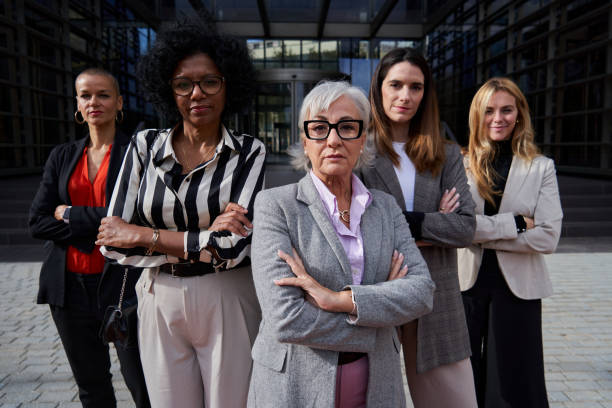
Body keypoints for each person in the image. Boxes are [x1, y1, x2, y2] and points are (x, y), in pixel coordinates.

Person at [95, 19, 265, 408]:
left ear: (228, 85)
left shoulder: (248, 152)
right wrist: (206, 239)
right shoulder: (143, 147)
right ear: (168, 90)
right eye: (183, 84)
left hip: (229, 298)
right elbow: (111, 244)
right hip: (159, 295)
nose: (196, 93)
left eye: (209, 81)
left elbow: (234, 247)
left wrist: (144, 234)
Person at [248, 81, 435, 408]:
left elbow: (421, 291)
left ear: (362, 139)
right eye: (319, 128)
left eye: (347, 127)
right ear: (305, 141)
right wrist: (378, 318)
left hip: (378, 383)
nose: (333, 139)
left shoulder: (386, 207)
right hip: (296, 385)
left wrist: (339, 300)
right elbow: (286, 318)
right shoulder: (275, 205)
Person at [357, 47, 478, 407]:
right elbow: (354, 225)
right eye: (396, 85)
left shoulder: (446, 154)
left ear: (426, 93)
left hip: (437, 297)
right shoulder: (358, 151)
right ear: (379, 88)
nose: (405, 96)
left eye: (416, 87)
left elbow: (465, 228)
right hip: (377, 290)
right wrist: (431, 224)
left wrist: (406, 223)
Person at [28, 68, 150, 408]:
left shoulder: (138, 154)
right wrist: (108, 224)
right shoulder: (62, 156)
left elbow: (138, 217)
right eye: (85, 95)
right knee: (91, 386)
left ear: (119, 102)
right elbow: (37, 221)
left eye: (103, 94)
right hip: (69, 288)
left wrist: (69, 213)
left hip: (125, 286)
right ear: (77, 105)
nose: (93, 102)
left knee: (143, 383)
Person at [458, 77, 562, 407]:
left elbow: (547, 236)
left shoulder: (541, 167)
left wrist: (480, 235)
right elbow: (456, 228)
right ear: (478, 114)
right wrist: (516, 225)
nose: (498, 118)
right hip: (465, 286)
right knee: (464, 380)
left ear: (519, 114)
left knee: (517, 384)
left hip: (519, 289)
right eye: (489, 110)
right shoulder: (459, 165)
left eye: (506, 109)